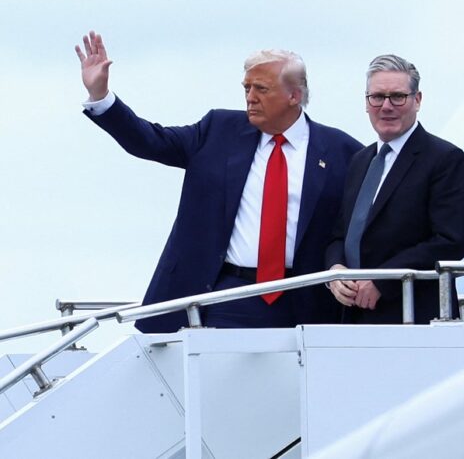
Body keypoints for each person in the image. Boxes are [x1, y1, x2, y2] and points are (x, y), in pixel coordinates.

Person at [75, 31, 362, 332]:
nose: (250, 97)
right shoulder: (218, 131)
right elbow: (150, 141)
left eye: (261, 89)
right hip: (225, 297)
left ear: (294, 95)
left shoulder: (343, 152)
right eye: (247, 87)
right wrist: (101, 97)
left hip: (305, 302)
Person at [325, 54, 464, 324]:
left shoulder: (445, 159)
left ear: (417, 100)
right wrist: (335, 271)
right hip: (354, 316)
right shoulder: (360, 161)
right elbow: (340, 235)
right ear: (366, 102)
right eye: (377, 97)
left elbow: (452, 240)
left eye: (397, 97)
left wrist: (385, 281)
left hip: (415, 316)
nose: (386, 106)